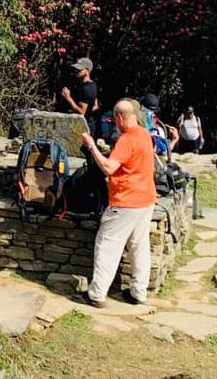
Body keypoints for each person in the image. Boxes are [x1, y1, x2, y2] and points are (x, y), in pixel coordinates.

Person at [74, 99, 156, 306]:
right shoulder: (145, 135)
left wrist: (92, 146)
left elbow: (109, 168)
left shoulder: (126, 140)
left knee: (107, 245)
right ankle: (139, 292)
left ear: (120, 117)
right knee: (139, 246)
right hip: (146, 199)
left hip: (126, 201)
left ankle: (96, 294)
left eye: (114, 120)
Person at [57, 58, 99, 132]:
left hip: (82, 126)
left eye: (79, 70)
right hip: (89, 123)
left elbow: (82, 112)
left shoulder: (85, 89)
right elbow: (96, 106)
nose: (76, 71)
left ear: (87, 71)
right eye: (76, 69)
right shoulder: (93, 85)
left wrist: (68, 98)